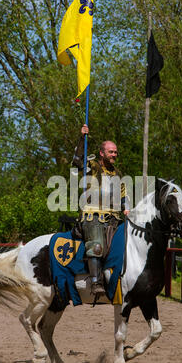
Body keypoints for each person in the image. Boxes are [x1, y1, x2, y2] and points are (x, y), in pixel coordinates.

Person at [72, 124, 129, 296]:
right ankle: (96, 282)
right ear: (102, 153)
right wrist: (83, 138)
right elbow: (76, 162)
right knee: (96, 246)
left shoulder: (117, 173)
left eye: (116, 152)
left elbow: (123, 193)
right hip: (92, 216)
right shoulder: (92, 167)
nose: (114, 155)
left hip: (113, 218)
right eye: (111, 152)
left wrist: (126, 208)